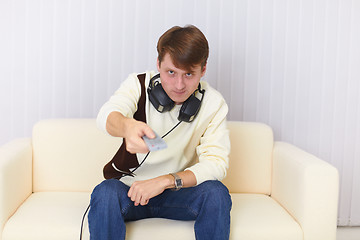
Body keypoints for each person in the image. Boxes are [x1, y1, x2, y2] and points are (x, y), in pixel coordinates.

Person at [88, 25, 232, 240]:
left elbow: (217, 164)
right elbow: (106, 115)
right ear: (158, 64)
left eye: (189, 74)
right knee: (105, 191)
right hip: (131, 192)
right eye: (171, 72)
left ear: (203, 70)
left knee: (217, 193)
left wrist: (164, 181)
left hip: (178, 193)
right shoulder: (137, 84)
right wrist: (128, 126)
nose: (179, 85)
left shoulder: (214, 103)